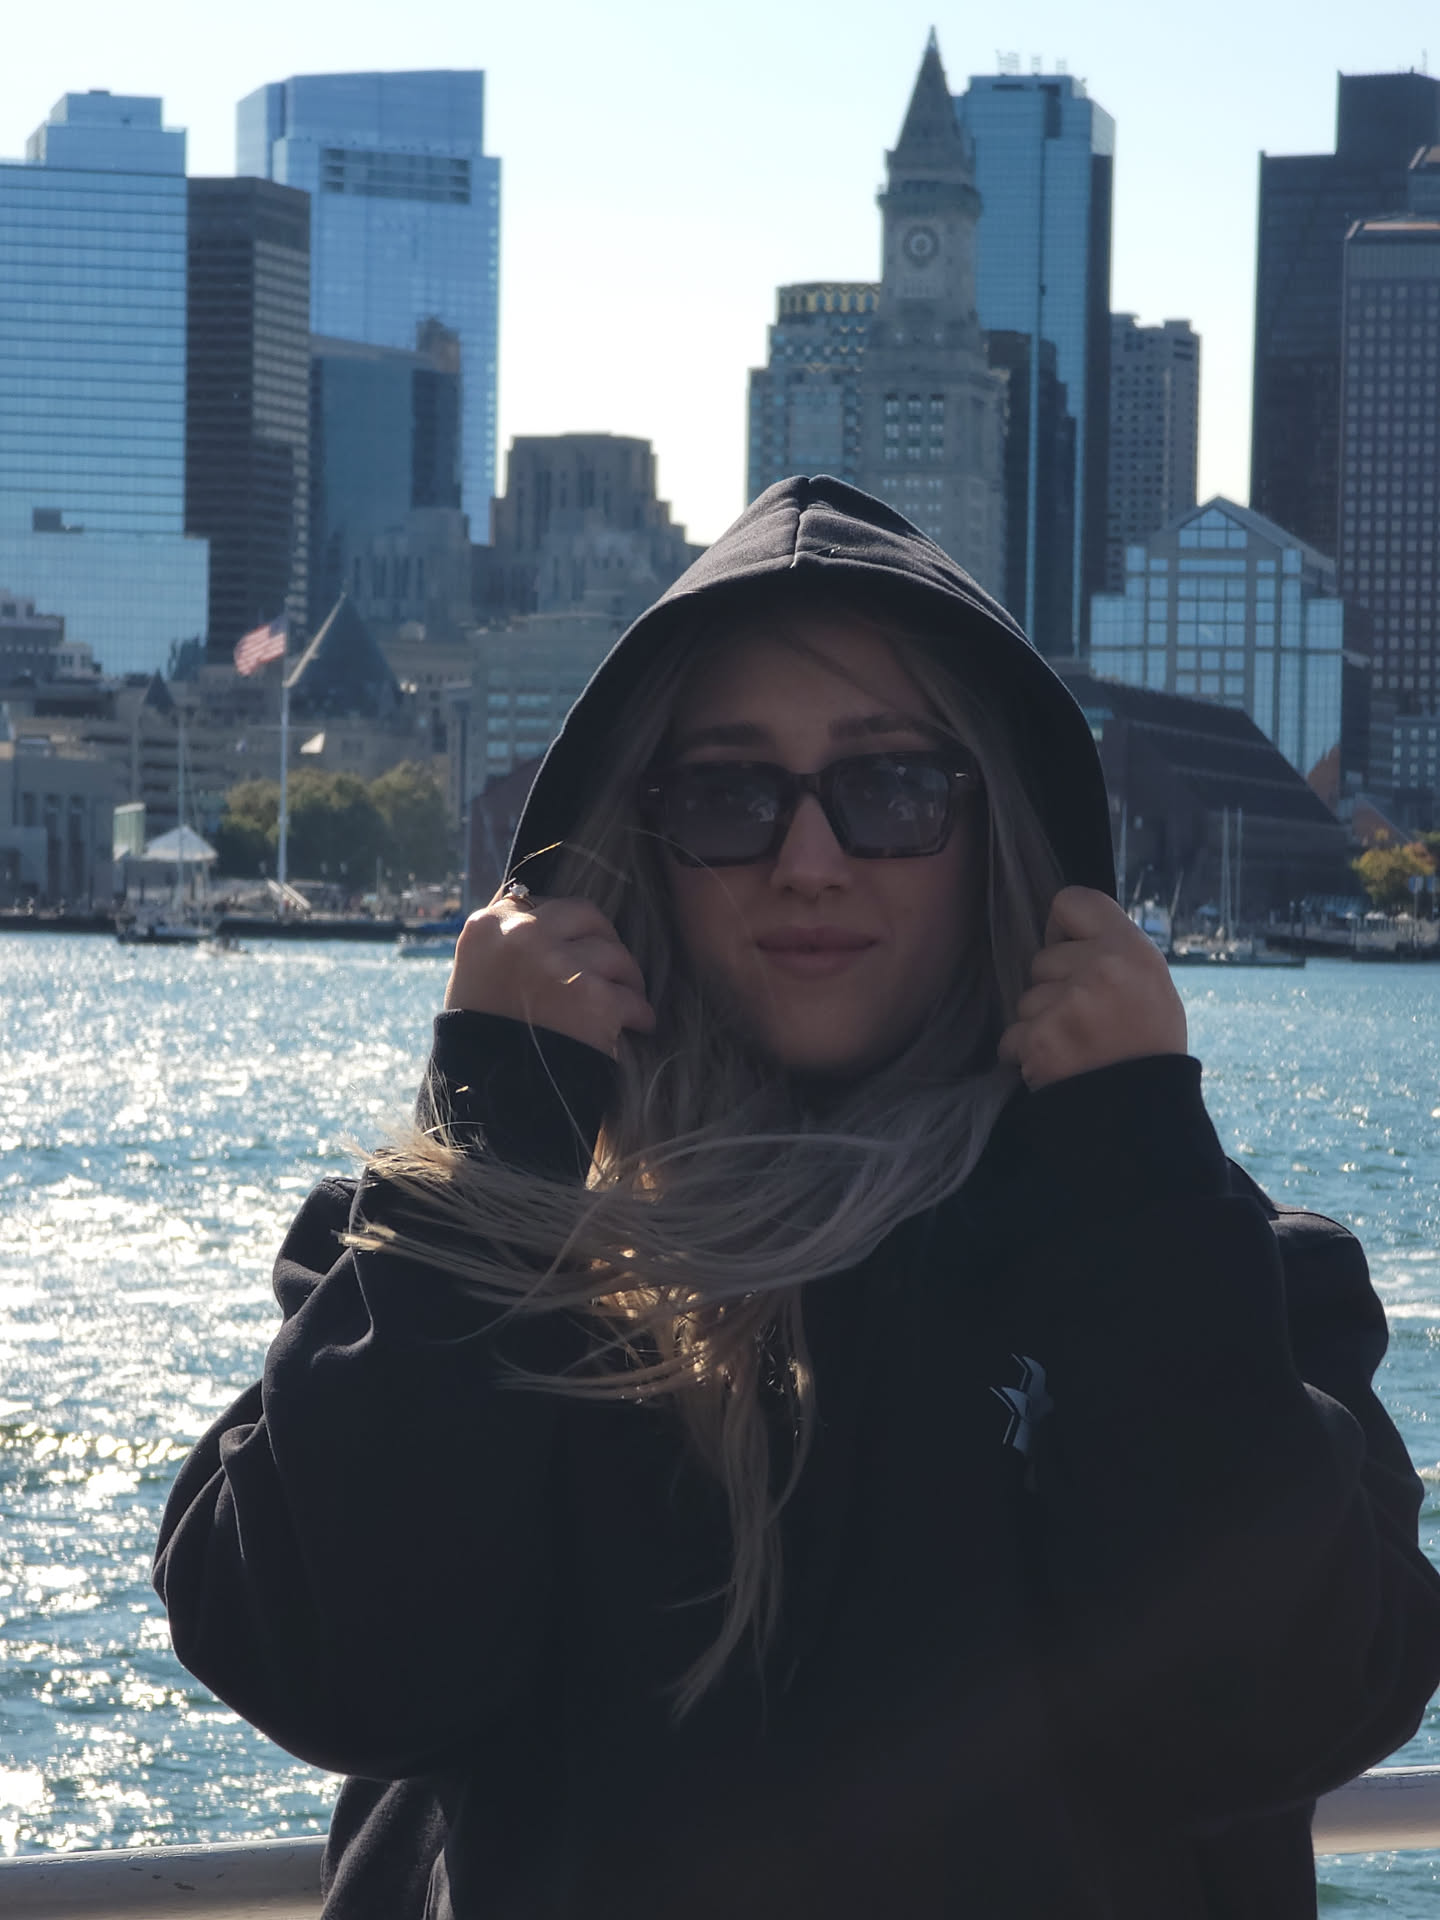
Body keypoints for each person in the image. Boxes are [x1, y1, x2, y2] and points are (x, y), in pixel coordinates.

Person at [155, 477, 1440, 1919]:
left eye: (893, 789)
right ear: (636, 844)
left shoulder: (1217, 1273)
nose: (808, 863)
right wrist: (497, 1130)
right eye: (728, 796)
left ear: (999, 828)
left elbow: (1279, 1706)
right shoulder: (449, 1249)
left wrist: (1134, 1165)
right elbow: (329, 1668)